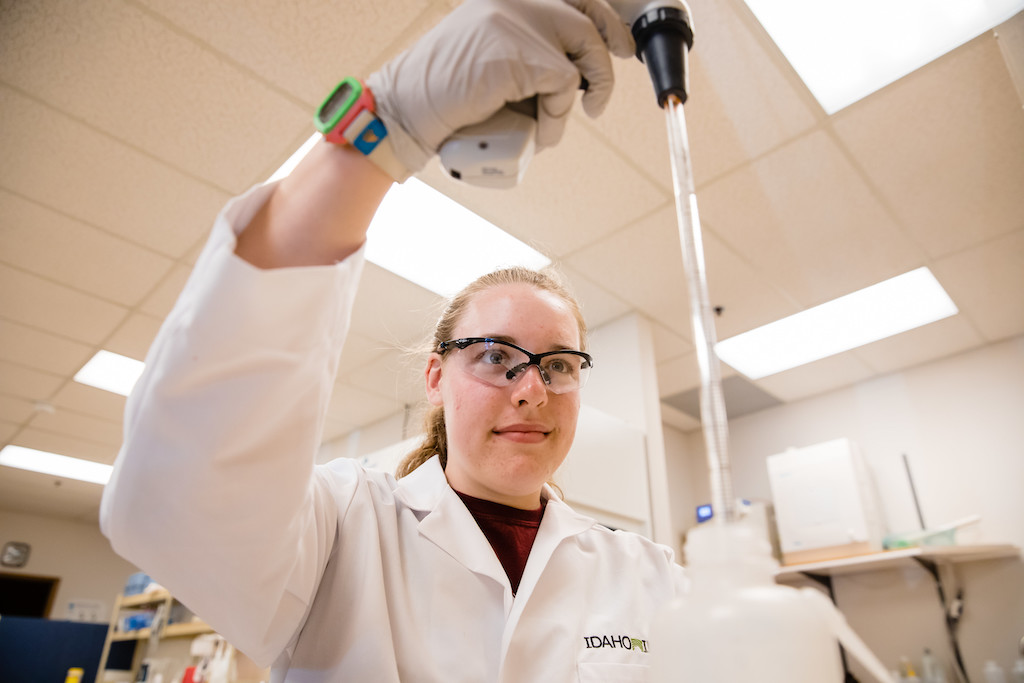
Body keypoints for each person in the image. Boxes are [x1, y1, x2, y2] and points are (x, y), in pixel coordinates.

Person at [100, 0, 687, 680]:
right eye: (496, 356)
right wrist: (392, 120)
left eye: (558, 364)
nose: (532, 390)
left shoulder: (648, 575)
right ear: (435, 378)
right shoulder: (340, 527)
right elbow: (175, 498)